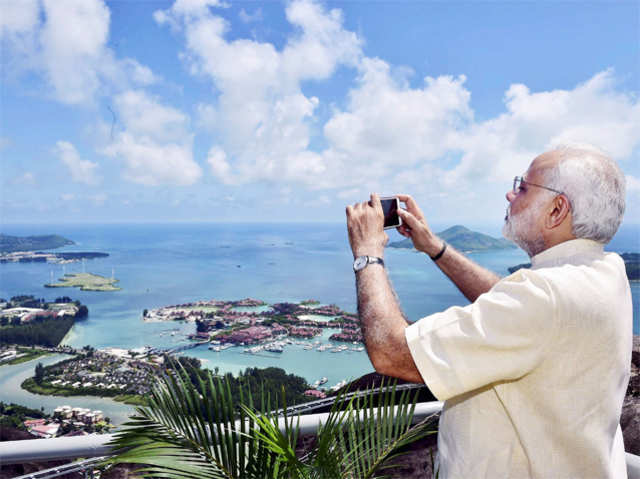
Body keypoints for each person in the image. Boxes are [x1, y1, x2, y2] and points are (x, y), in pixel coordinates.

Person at [345, 144, 632, 478]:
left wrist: (368, 253)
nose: (510, 196)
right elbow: (511, 303)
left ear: (557, 210)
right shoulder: (607, 271)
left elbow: (391, 351)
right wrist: (433, 247)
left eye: (523, 187)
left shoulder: (543, 298)